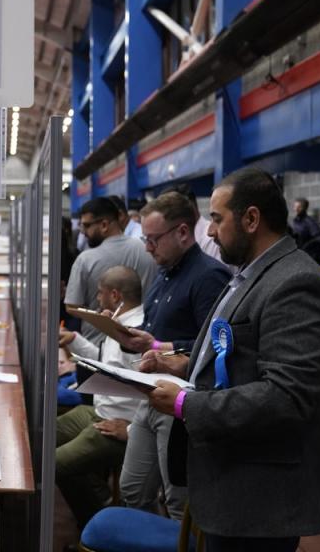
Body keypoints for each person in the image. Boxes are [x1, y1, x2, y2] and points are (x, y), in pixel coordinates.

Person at [139, 167, 320, 550]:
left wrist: (186, 403)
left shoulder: (296, 284)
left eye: (216, 219)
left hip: (261, 495)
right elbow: (241, 355)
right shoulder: (252, 275)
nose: (211, 231)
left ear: (251, 219)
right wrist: (187, 365)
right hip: (232, 480)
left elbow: (287, 396)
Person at [116, 191, 231, 520]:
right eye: (145, 240)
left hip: (180, 401)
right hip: (149, 392)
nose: (148, 248)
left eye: (153, 240)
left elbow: (213, 346)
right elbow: (158, 331)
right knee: (133, 488)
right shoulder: (163, 271)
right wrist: (142, 341)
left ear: (182, 232)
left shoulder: (209, 276)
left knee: (178, 500)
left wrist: (161, 348)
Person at [56, 266, 145, 528]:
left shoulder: (137, 331)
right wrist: (74, 339)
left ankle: (100, 520)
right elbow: (105, 363)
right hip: (98, 410)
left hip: (118, 423)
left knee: (54, 464)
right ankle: (100, 500)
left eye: (100, 294)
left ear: (115, 295)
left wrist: (130, 429)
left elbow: (149, 390)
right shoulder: (117, 324)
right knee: (39, 438)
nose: (97, 300)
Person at [61, 197, 156, 356]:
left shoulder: (86, 259)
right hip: (142, 345)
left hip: (96, 349)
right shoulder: (145, 249)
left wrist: (102, 320)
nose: (83, 232)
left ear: (104, 224)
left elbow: (71, 306)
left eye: (87, 225)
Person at [165, 184, 221, 262]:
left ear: (190, 206)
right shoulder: (177, 237)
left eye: (170, 212)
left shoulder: (211, 239)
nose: (167, 219)